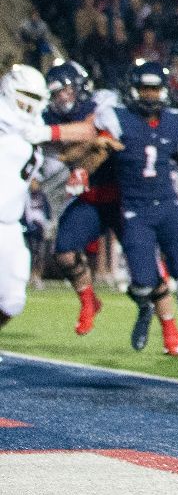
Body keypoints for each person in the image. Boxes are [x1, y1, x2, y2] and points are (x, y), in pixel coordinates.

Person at [95, 60, 178, 358]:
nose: (150, 95)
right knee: (142, 281)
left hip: (168, 206)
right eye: (144, 89)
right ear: (134, 91)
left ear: (163, 91)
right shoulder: (117, 118)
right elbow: (98, 151)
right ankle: (143, 307)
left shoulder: (177, 120)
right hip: (135, 210)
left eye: (154, 89)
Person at [0, 66, 112, 348]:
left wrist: (44, 131)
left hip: (10, 224)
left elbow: (86, 131)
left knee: (13, 300)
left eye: (36, 96)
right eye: (24, 95)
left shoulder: (34, 122)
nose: (29, 102)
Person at [41, 60, 123, 336]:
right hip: (91, 197)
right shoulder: (50, 118)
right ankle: (88, 302)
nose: (60, 98)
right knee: (64, 252)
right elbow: (70, 151)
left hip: (123, 195)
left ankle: (171, 330)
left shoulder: (103, 102)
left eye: (64, 90)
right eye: (55, 93)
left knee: (143, 267)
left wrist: (52, 135)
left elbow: (90, 130)